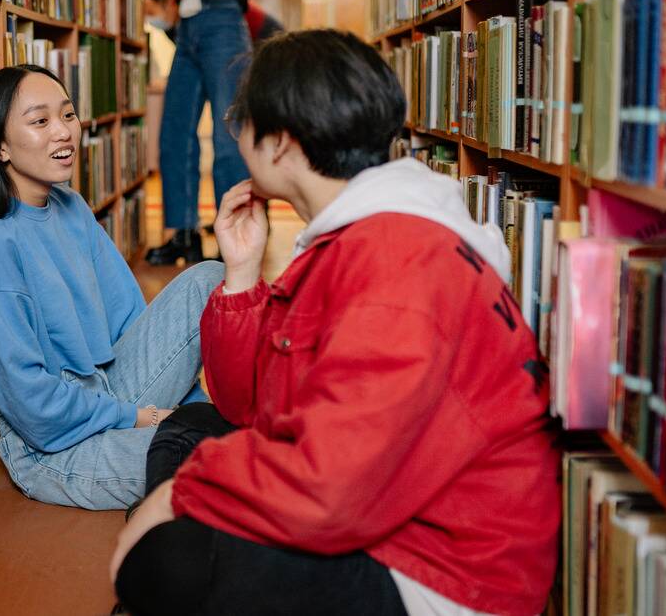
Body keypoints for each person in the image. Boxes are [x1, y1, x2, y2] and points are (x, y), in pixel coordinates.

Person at [109, 30, 560, 615]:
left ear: (281, 143)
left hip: (437, 575)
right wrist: (242, 274)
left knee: (166, 561)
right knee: (193, 426)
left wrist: (182, 494)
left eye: (240, 122)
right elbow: (250, 404)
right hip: (391, 510)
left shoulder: (395, 263)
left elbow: (331, 492)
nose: (235, 137)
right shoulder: (360, 233)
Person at [0, 64, 224, 511]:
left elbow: (131, 322)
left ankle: (200, 431)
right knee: (220, 458)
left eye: (68, 115)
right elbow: (34, 408)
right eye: (40, 121)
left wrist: (193, 412)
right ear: (0, 147)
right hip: (55, 448)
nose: (63, 132)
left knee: (208, 276)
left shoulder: (70, 205)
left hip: (111, 390)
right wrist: (144, 419)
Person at [139, 0, 261, 266]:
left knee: (228, 134)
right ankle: (182, 235)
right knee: (174, 132)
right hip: (188, 26)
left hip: (223, 26)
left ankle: (233, 238)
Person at [145, 0, 284, 45]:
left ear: (169, 0)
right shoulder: (174, 30)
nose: (149, 19)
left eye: (149, 12)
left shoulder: (195, 4)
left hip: (264, 31)